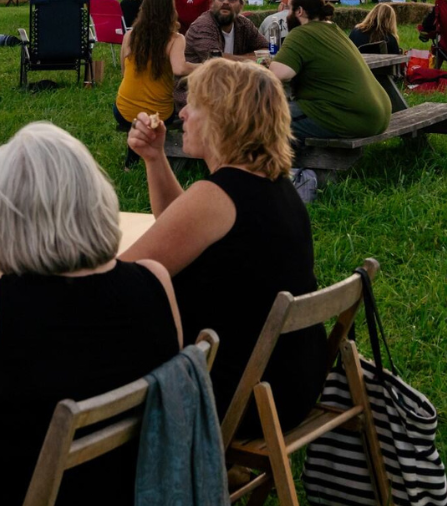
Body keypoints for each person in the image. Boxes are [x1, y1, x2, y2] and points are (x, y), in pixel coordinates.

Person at [0, 123, 181, 506]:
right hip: (128, 484)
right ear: (98, 199)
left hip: (8, 488)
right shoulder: (155, 280)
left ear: (6, 216)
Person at [122, 58, 326, 431]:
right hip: (291, 385)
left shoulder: (216, 197)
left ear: (223, 119)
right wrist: (155, 158)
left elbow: (120, 282)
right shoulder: (275, 186)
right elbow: (181, 225)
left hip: (235, 397)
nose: (182, 113)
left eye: (194, 105)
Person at [260, 0, 390, 140]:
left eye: (289, 9)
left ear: (299, 11)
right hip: (378, 115)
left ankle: (286, 163)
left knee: (261, 117)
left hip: (352, 118)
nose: (287, 14)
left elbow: (278, 74)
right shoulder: (333, 29)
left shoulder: (302, 33)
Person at [116, 0, 197, 127]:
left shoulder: (129, 36)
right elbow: (179, 68)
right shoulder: (175, 39)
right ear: (171, 10)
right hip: (160, 115)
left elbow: (124, 73)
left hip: (124, 112)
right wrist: (206, 66)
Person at [184, 0, 265, 65]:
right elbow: (216, 61)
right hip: (198, 77)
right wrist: (252, 58)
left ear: (241, 5)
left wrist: (239, 58)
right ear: (212, 2)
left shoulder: (244, 24)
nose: (225, 2)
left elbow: (266, 50)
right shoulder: (203, 26)